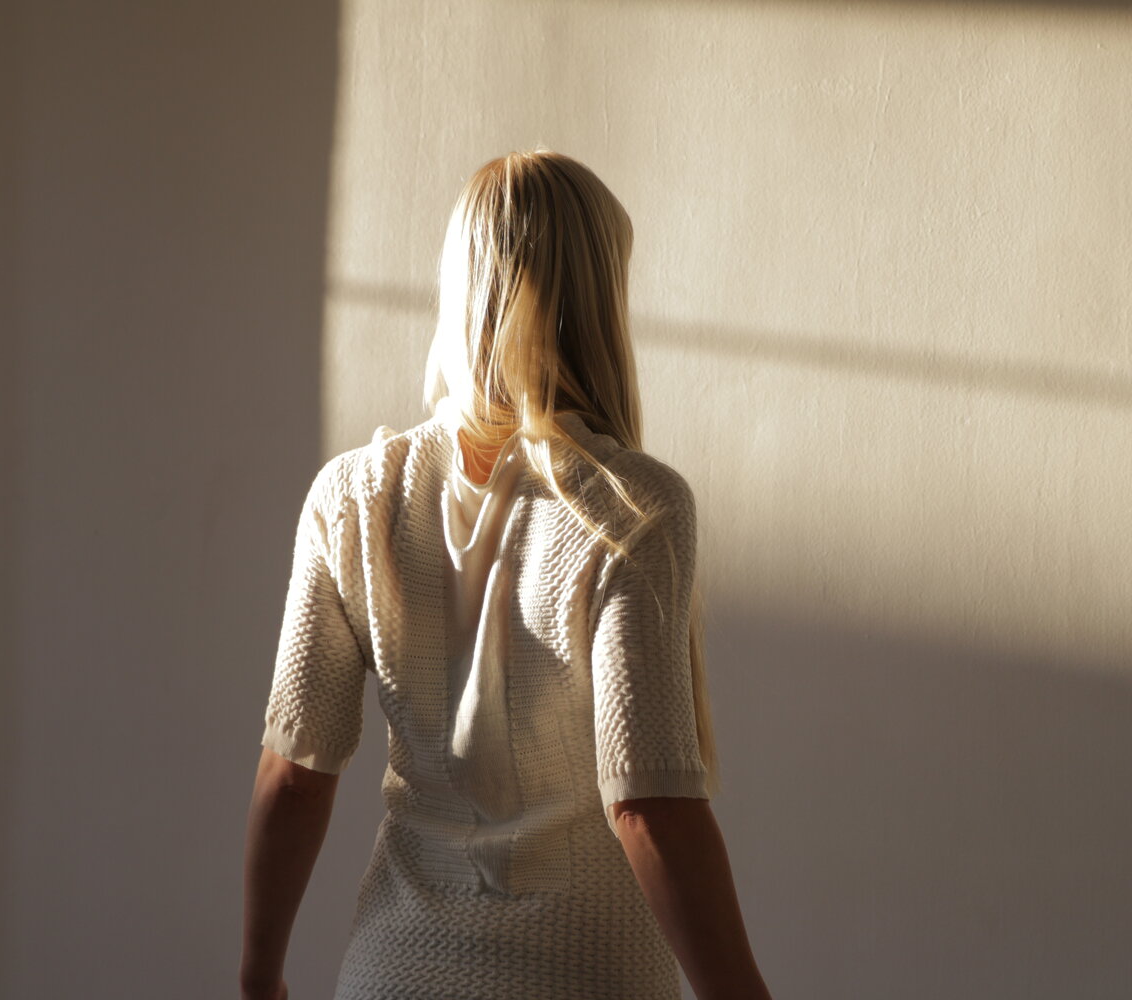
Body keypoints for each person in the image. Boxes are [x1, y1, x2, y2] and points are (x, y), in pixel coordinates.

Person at [240, 149, 774, 1000]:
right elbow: (647, 804)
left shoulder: (352, 497)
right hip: (581, 975)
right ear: (596, 302)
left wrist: (260, 974)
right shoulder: (629, 506)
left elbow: (293, 774)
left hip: (392, 975)